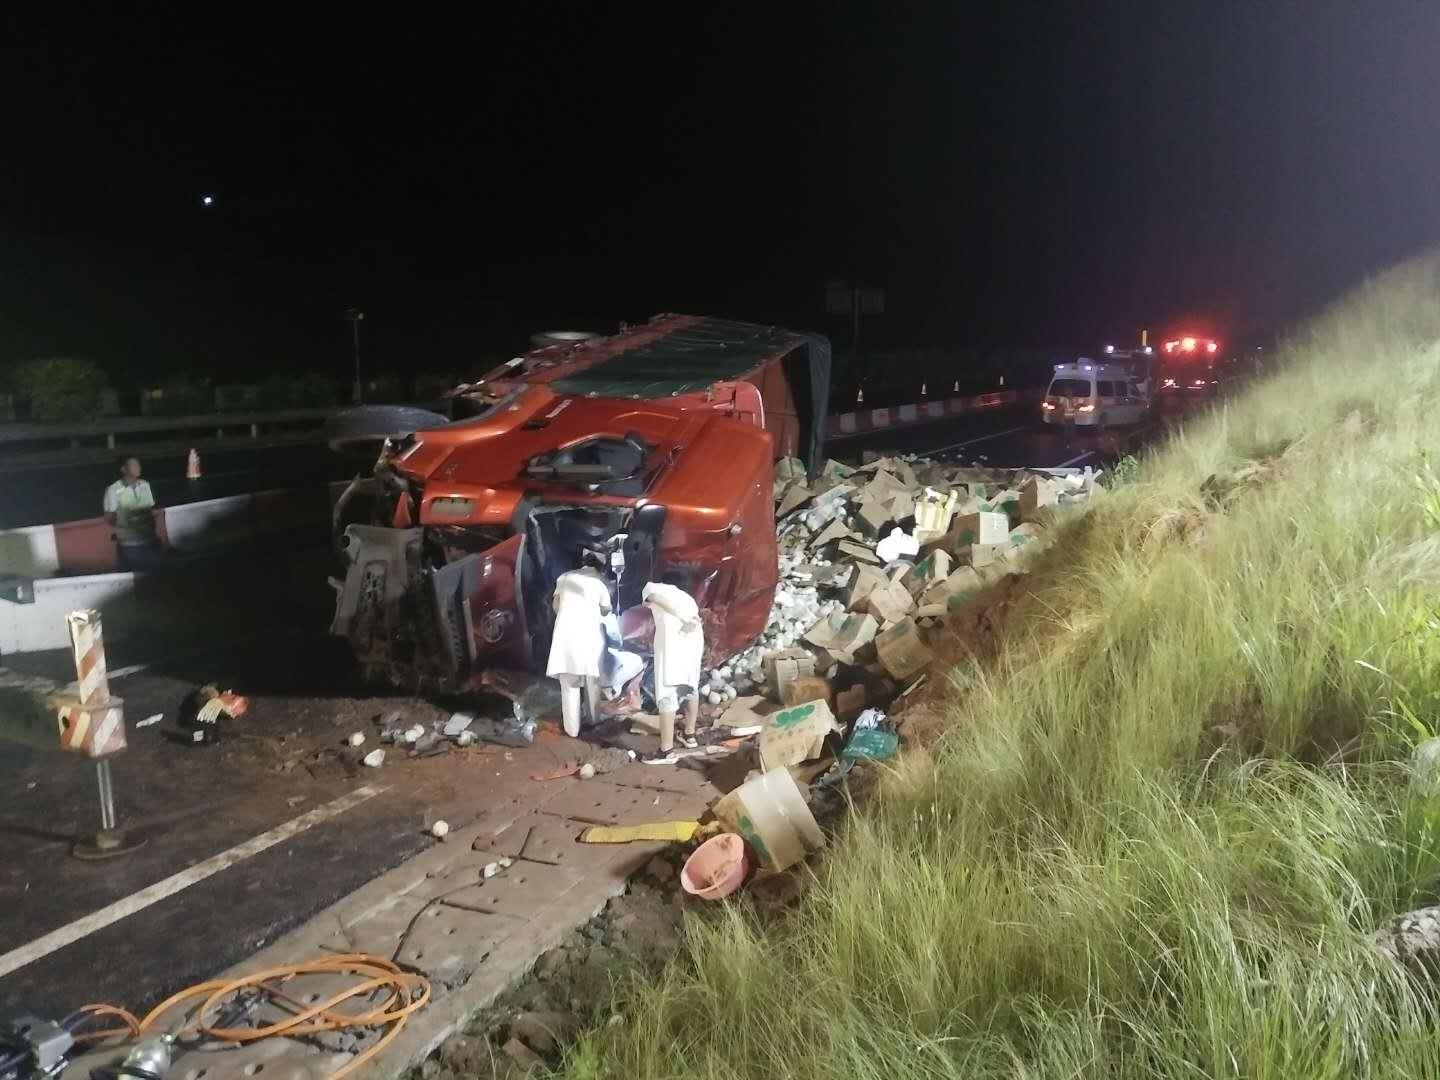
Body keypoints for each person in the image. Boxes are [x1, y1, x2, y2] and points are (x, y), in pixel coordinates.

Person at [103, 457, 162, 571]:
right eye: (134, 465)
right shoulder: (113, 490)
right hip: (130, 545)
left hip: (151, 540)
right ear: (124, 469)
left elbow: (151, 508)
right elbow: (109, 518)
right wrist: (126, 525)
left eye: (138, 465)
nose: (139, 468)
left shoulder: (145, 485)